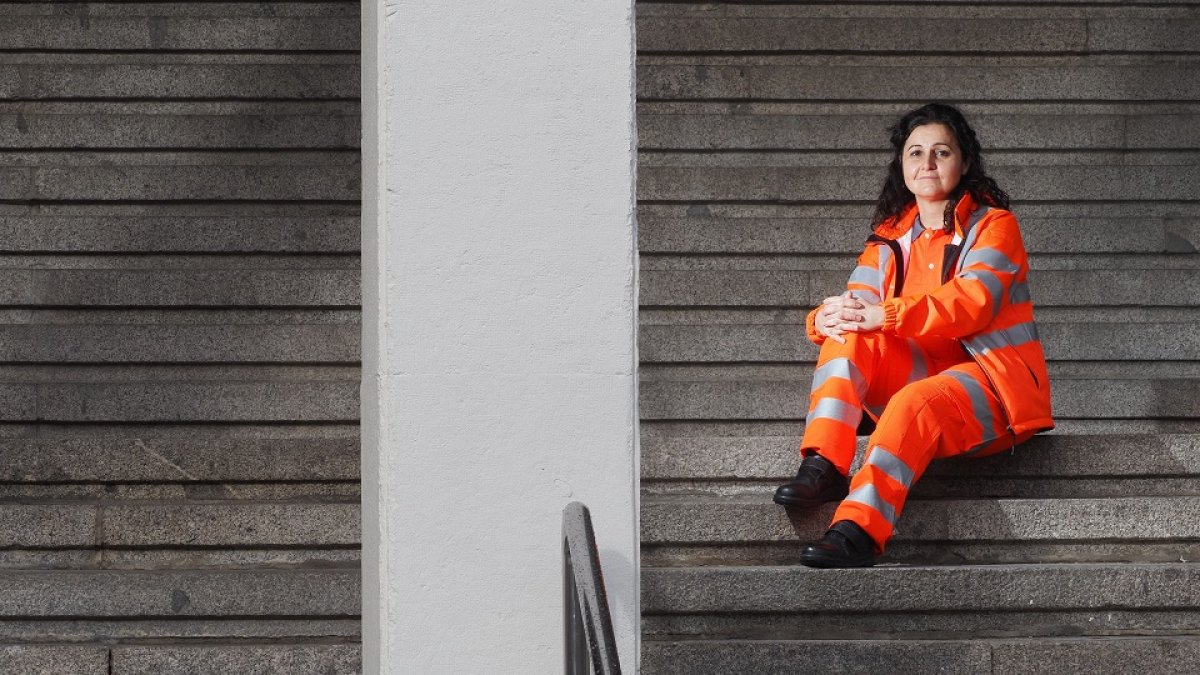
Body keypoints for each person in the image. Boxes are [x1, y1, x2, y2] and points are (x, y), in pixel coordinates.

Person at [773, 103, 1054, 568]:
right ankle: (824, 463)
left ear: (964, 163)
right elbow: (858, 306)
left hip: (991, 386)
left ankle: (858, 528)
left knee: (911, 402)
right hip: (923, 375)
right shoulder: (890, 237)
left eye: (941, 152)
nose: (927, 163)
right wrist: (822, 320)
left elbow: (972, 302)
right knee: (847, 336)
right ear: (902, 167)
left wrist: (881, 314)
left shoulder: (995, 226)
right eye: (915, 153)